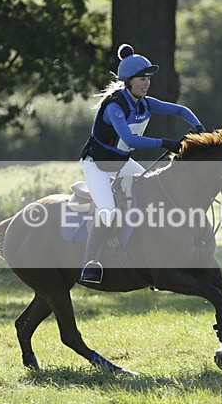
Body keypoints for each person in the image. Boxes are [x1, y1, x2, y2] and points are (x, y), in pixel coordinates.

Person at [78, 43, 206, 283]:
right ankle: (90, 263)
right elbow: (128, 138)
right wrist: (165, 142)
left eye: (147, 78)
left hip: (121, 162)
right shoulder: (115, 106)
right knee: (108, 211)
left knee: (154, 189)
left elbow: (181, 110)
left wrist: (197, 127)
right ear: (128, 82)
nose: (146, 83)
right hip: (97, 165)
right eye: (140, 79)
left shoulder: (145, 102)